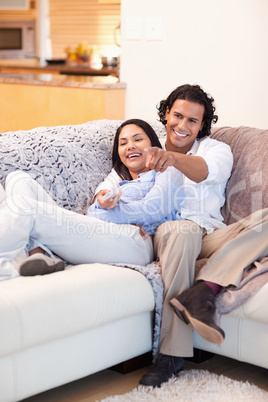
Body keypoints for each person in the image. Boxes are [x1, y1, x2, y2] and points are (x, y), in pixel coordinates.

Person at [0, 119, 183, 281]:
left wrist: (108, 214)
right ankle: (40, 254)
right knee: (17, 179)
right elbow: (100, 202)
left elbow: (154, 208)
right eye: (123, 143)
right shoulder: (119, 181)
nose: (130, 146)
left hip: (135, 243)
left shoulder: (167, 170)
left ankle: (6, 269)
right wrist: (104, 205)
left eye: (137, 139)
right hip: (103, 231)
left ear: (154, 145)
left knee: (23, 207)